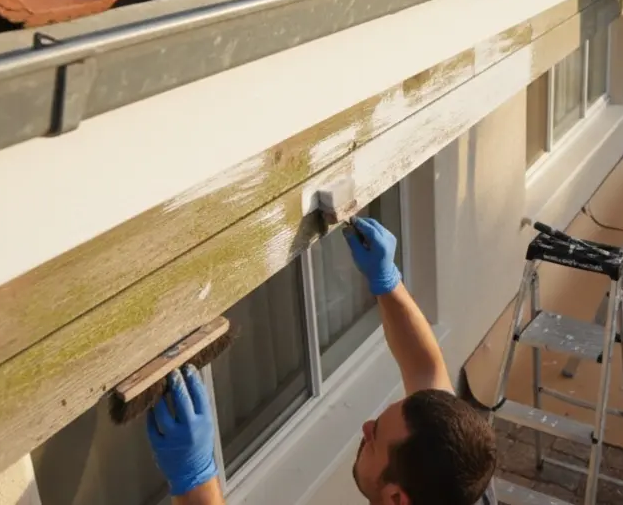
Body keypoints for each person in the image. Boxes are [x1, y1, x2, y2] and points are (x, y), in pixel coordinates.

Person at [146, 216, 499, 505]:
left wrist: (195, 479)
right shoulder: (451, 475)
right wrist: (387, 280)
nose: (365, 426)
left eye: (374, 436)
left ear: (396, 497)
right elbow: (425, 369)